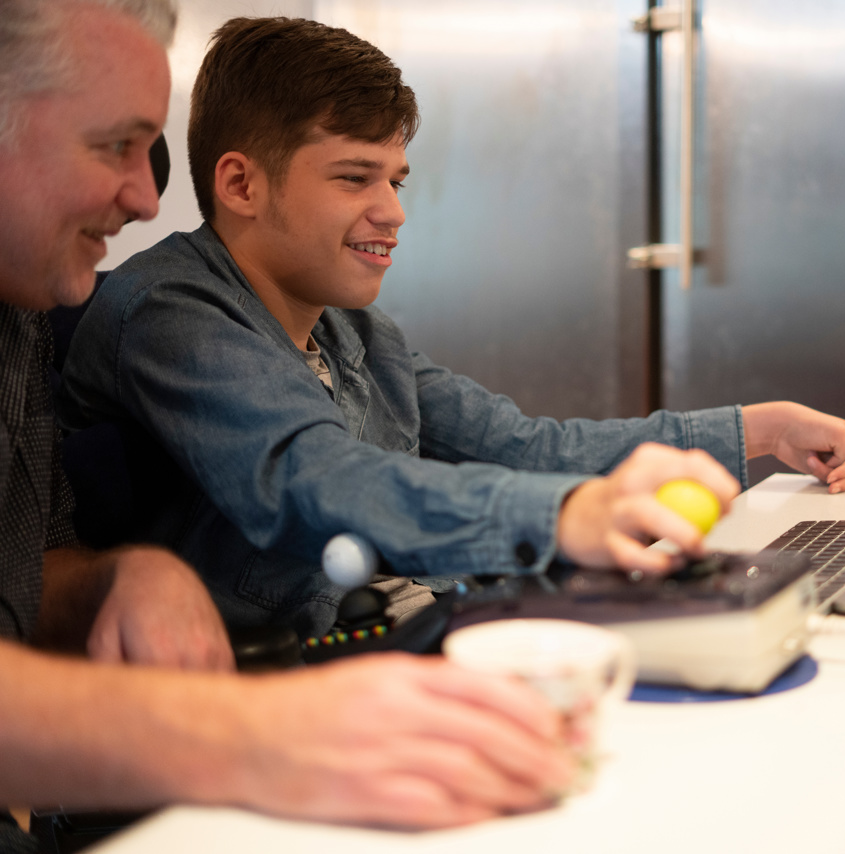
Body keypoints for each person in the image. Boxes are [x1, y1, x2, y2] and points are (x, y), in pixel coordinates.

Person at [57, 15, 845, 639]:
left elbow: (522, 446)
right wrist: (562, 518)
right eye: (355, 178)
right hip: (245, 702)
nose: (393, 212)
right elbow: (316, 479)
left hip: (383, 654)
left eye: (397, 178)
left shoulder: (355, 332)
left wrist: (754, 430)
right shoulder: (169, 313)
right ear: (240, 184)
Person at [0, 1, 579, 843]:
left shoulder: (16, 317)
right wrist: (250, 735)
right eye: (112, 145)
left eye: (150, 150)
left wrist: (116, 576)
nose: (143, 194)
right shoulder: (168, 308)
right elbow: (311, 477)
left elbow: (29, 579)